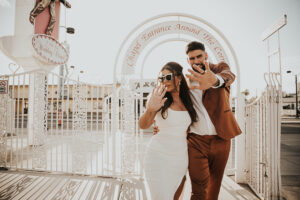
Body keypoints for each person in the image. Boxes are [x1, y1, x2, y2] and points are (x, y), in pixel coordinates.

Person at [154, 41, 242, 200]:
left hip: (222, 139)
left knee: (214, 188)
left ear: (206, 55)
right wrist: (161, 126)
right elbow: (172, 102)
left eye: (199, 56)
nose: (196, 60)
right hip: (196, 141)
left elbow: (229, 76)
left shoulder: (218, 70)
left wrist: (214, 81)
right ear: (187, 60)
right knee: (199, 188)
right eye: (191, 58)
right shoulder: (187, 81)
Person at [139, 62, 197, 200]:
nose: (164, 81)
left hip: (180, 159)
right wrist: (150, 109)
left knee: (175, 197)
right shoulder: (158, 97)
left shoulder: (190, 99)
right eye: (161, 78)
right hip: (157, 157)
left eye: (168, 77)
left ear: (179, 78)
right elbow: (143, 124)